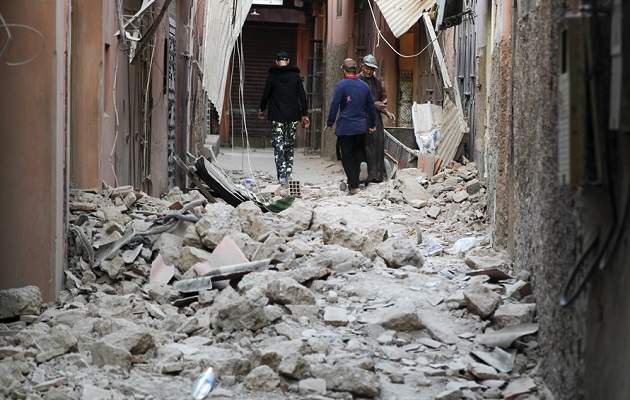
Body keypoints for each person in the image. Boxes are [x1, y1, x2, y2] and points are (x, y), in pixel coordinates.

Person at [325, 58, 377, 195]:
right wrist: (372, 125)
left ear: (343, 70)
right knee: (358, 150)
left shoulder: (341, 85)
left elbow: (334, 105)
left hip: (346, 127)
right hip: (361, 127)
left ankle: (354, 186)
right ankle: (362, 164)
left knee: (347, 155)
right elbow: (371, 107)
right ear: (357, 70)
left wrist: (329, 123)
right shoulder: (365, 86)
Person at [258, 51, 310, 185]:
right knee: (289, 145)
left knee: (278, 146)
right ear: (288, 61)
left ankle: (282, 176)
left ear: (276, 62)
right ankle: (288, 174)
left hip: (277, 116)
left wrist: (262, 110)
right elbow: (302, 96)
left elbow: (266, 95)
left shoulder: (272, 77)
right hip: (292, 116)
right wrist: (304, 114)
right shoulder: (295, 76)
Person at [358, 54, 395, 183]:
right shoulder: (357, 81)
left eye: (372, 69)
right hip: (362, 118)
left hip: (376, 119)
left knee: (378, 146)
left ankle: (377, 175)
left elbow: (382, 101)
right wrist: (374, 105)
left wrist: (386, 112)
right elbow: (357, 102)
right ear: (362, 67)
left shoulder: (377, 82)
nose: (369, 71)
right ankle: (365, 176)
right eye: (367, 68)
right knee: (364, 146)